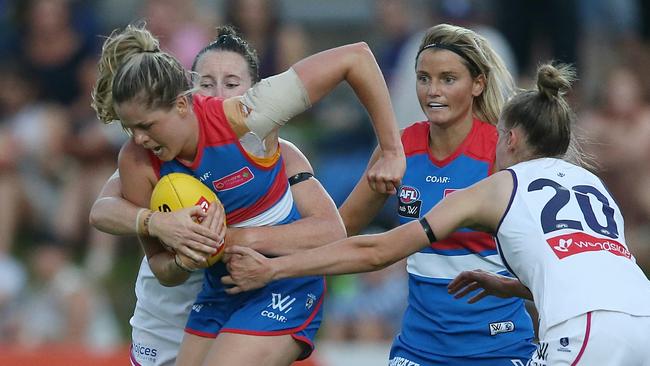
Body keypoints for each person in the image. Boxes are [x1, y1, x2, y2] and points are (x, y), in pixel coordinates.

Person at [224, 63, 650, 365]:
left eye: (499, 136)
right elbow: (594, 276)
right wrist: (510, 287)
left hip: (582, 333)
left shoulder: (498, 185)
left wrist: (274, 271)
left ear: (513, 138)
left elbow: (378, 251)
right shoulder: (593, 187)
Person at [91, 23, 404, 366]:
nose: (137, 138)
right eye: (207, 83)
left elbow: (355, 57)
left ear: (183, 104)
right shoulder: (142, 155)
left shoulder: (251, 118)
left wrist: (391, 150)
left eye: (231, 83)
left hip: (278, 282)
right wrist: (162, 229)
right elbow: (104, 213)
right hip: (211, 291)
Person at [296, 23, 538, 365]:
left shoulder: (501, 152)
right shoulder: (397, 149)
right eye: (423, 78)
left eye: (448, 79)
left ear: (478, 84)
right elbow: (340, 230)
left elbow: (542, 254)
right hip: (419, 349)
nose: (432, 91)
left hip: (499, 347)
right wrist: (270, 249)